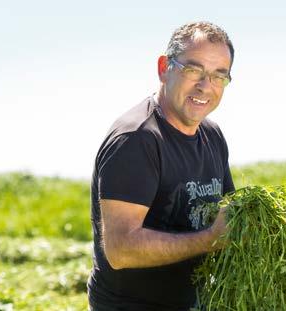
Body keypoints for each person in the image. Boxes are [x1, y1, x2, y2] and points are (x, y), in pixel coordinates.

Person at [87, 21, 235, 311]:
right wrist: (210, 240)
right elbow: (120, 250)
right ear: (164, 68)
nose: (206, 86)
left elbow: (227, 213)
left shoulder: (212, 135)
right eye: (194, 70)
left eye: (219, 76)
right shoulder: (136, 140)